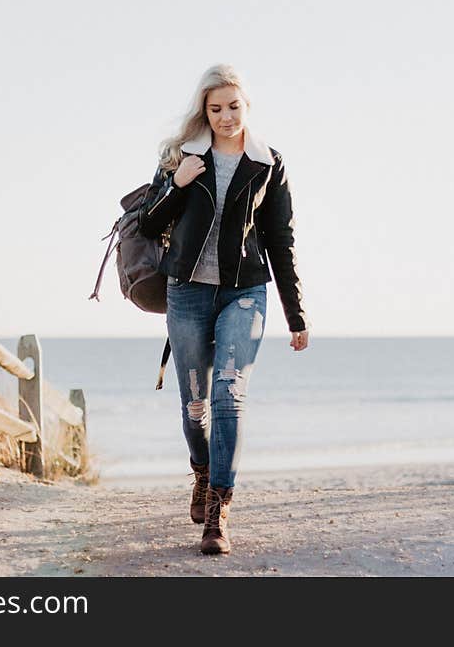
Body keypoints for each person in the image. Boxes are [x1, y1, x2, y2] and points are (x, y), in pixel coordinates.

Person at [137, 64, 309, 555]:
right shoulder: (180, 157)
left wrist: (295, 314)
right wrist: (179, 185)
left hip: (245, 292)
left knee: (229, 395)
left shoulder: (268, 163)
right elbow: (149, 225)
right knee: (195, 406)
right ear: (204, 111)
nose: (226, 116)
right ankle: (202, 470)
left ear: (246, 106)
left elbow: (281, 239)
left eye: (234, 106)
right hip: (187, 292)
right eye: (216, 109)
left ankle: (219, 510)